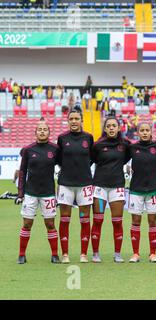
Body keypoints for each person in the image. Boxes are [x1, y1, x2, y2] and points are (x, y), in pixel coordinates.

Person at [16, 121, 61, 264]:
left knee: (50, 224)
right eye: (40, 130)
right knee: (27, 224)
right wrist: (20, 193)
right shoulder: (28, 150)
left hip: (48, 193)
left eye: (45, 129)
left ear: (49, 132)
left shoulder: (55, 149)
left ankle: (54, 255)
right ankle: (21, 255)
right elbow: (22, 172)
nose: (42, 132)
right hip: (30, 193)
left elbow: (63, 168)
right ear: (35, 132)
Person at [56, 110, 94, 264]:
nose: (73, 121)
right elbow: (59, 159)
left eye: (76, 119)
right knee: (65, 219)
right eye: (71, 119)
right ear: (67, 121)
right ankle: (65, 254)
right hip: (66, 184)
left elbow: (92, 158)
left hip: (85, 184)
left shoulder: (88, 138)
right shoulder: (62, 138)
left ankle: (83, 254)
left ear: (81, 120)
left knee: (84, 219)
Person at [91, 117, 131, 263]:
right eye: (109, 126)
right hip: (100, 187)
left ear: (119, 128)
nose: (112, 128)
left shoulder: (125, 144)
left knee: (117, 221)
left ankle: (117, 254)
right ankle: (95, 253)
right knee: (98, 220)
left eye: (114, 125)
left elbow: (127, 158)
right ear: (105, 129)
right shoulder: (97, 145)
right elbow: (92, 159)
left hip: (117, 188)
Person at [127, 123, 156, 263]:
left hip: (153, 189)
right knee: (136, 221)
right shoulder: (132, 148)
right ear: (137, 132)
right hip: (136, 189)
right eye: (142, 130)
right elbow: (123, 159)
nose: (144, 132)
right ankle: (136, 254)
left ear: (151, 132)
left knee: (152, 221)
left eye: (147, 130)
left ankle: (152, 254)